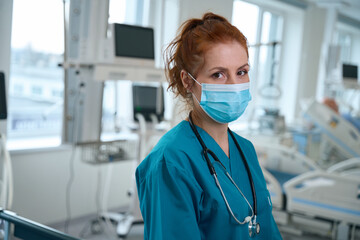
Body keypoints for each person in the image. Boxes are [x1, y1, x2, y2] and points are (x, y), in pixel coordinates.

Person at [136, 12, 282, 239]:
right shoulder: (171, 163)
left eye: (241, 72)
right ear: (187, 81)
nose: (235, 85)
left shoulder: (245, 150)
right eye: (218, 75)